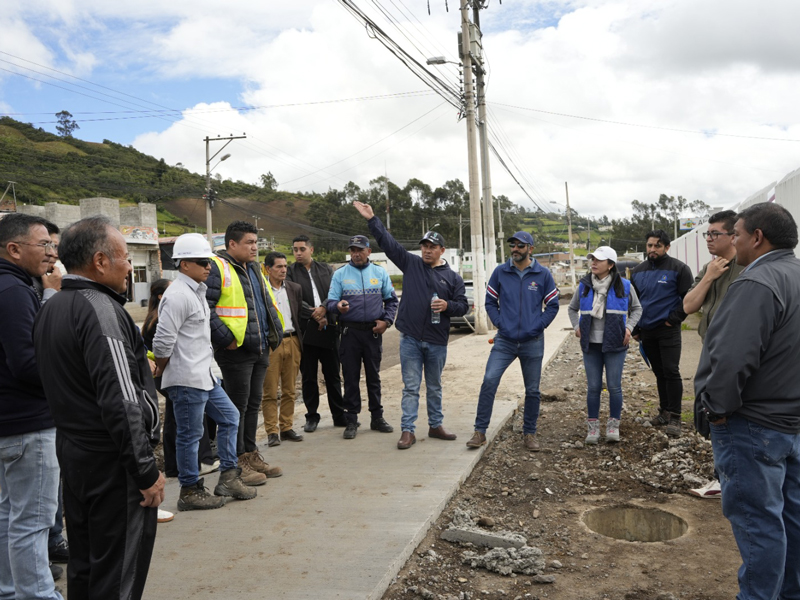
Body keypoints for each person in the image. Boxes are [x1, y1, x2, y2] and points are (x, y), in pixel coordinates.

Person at [34, 215, 164, 600]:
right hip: (112, 461)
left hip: (75, 455)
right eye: (124, 257)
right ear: (100, 261)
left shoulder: (53, 307)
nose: (129, 267)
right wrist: (144, 470)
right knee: (118, 570)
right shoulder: (102, 311)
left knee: (87, 564)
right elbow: (121, 400)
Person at [694, 202, 800, 600]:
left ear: (757, 237)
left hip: (752, 425)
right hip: (788, 423)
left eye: (735, 234)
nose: (732, 241)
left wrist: (716, 409)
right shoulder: (794, 274)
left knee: (759, 526)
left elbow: (733, 357)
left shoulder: (757, 282)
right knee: (788, 519)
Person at [353, 201, 469, 450]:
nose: (427, 251)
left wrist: (447, 306)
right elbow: (388, 243)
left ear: (442, 250)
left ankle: (436, 425)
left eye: (432, 247)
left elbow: (463, 306)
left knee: (435, 386)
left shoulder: (453, 278)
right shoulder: (411, 264)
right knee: (411, 387)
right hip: (410, 339)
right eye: (424, 247)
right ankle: (408, 431)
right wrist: (372, 219)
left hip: (437, 341)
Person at [153, 234, 255, 510]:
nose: (208, 267)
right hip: (186, 379)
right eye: (202, 262)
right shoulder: (176, 296)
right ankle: (189, 490)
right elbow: (162, 342)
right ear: (183, 264)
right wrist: (162, 371)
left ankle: (229, 477)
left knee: (230, 417)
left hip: (204, 377)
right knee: (190, 434)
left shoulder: (195, 291)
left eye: (209, 261)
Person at [0, 213, 62, 600]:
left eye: (53, 246)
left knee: (9, 518)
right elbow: (28, 362)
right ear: (14, 248)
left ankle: (9, 591)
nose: (52, 254)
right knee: (33, 522)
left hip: (10, 422)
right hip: (28, 424)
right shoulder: (14, 291)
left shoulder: (13, 287)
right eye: (44, 245)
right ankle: (39, 595)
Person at [466, 231, 560, 452]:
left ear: (530, 249)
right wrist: (500, 323)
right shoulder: (500, 272)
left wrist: (538, 326)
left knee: (533, 390)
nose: (515, 249)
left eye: (520, 245)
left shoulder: (542, 274)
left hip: (533, 341)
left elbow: (553, 306)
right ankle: (480, 432)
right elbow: (490, 302)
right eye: (513, 245)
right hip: (505, 341)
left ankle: (529, 434)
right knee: (489, 380)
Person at [206, 220, 283, 485]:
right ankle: (237, 461)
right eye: (249, 243)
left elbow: (265, 305)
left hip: (259, 346)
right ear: (232, 244)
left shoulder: (254, 269)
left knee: (252, 405)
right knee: (235, 408)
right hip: (235, 350)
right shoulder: (219, 267)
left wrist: (274, 336)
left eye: (255, 242)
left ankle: (250, 453)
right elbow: (207, 307)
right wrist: (226, 339)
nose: (254, 247)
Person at [682, 209, 744, 499]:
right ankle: (722, 476)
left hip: (735, 353)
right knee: (706, 410)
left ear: (733, 236)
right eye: (707, 233)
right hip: (711, 349)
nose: (708, 238)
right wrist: (708, 277)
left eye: (714, 234)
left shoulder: (747, 270)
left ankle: (727, 480)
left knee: (726, 412)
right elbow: (688, 306)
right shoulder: (711, 268)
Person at [567, 246, 642, 444]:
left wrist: (629, 328)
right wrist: (576, 327)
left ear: (610, 265)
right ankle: (593, 428)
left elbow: (637, 309)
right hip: (590, 345)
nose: (593, 262)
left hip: (615, 343)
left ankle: (613, 425)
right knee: (593, 387)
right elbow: (572, 308)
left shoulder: (625, 286)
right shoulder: (583, 286)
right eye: (592, 259)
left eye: (599, 260)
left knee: (614, 386)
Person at [326, 235, 398, 440]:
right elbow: (331, 301)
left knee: (374, 377)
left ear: (368, 251)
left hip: (373, 333)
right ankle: (351, 420)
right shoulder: (340, 274)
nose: (356, 254)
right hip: (350, 333)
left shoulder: (379, 272)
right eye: (353, 250)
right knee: (350, 378)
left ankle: (377, 417)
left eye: (360, 250)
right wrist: (337, 306)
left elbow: (392, 301)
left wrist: (387, 321)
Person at [630, 229, 693, 438]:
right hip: (646, 332)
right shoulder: (637, 271)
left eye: (657, 245)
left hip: (668, 331)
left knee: (671, 371)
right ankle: (664, 412)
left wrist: (672, 320)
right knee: (659, 372)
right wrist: (636, 329)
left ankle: (676, 417)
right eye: (649, 245)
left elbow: (689, 300)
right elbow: (633, 302)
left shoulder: (680, 269)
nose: (652, 249)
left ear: (667, 247)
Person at [286, 234, 347, 431]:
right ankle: (312, 416)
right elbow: (290, 298)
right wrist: (314, 314)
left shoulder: (326, 269)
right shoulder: (290, 272)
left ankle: (339, 415)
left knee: (333, 374)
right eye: (295, 249)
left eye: (302, 249)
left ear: (311, 250)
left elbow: (335, 292)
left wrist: (323, 308)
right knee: (309, 376)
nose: (298, 253)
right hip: (306, 331)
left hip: (329, 328)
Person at [262, 251, 309, 446]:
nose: (283, 270)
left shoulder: (294, 288)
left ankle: (287, 427)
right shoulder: (261, 290)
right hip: (272, 344)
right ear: (267, 269)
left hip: (292, 340)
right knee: (270, 391)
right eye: (278, 267)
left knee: (290, 389)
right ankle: (272, 431)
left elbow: (300, 312)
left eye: (284, 266)